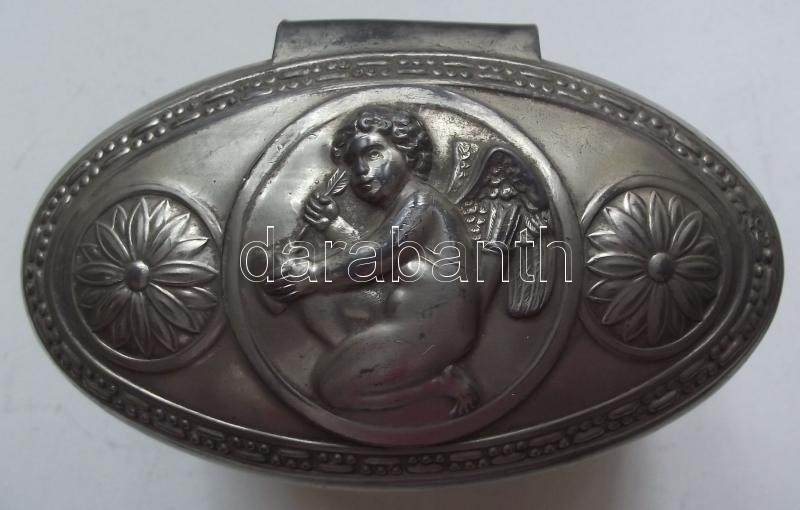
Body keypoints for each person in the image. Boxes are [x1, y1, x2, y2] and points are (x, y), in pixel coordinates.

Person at [263, 108, 482, 417]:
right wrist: (332, 224)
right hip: (401, 314)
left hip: (435, 329)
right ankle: (360, 356)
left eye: (374, 155)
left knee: (333, 389)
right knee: (317, 301)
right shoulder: (406, 204)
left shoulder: (422, 203)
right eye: (353, 163)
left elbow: (379, 255)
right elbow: (380, 254)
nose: (362, 170)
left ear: (408, 154)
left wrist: (311, 274)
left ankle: (439, 384)